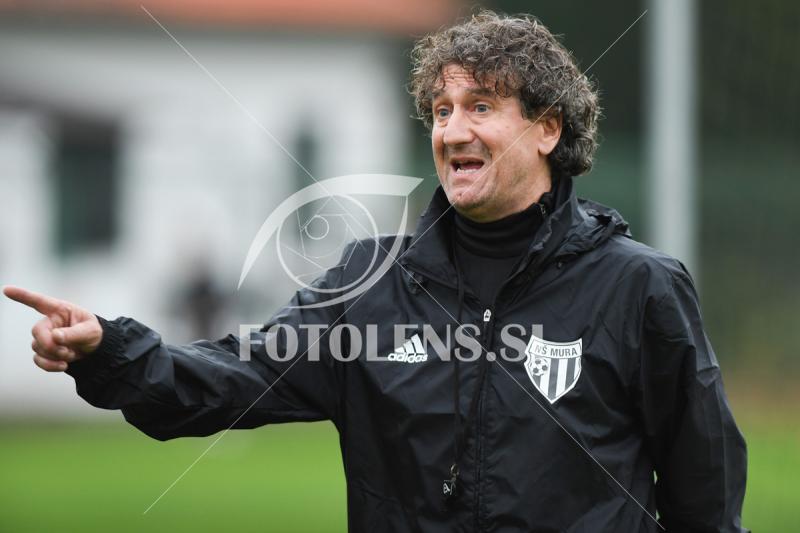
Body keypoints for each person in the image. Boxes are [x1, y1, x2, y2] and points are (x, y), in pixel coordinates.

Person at [4, 11, 747, 532]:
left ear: (547, 128)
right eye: (442, 109)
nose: (453, 129)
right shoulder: (366, 283)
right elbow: (230, 378)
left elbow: (705, 493)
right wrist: (111, 349)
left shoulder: (639, 287)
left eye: (481, 106)